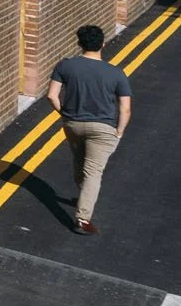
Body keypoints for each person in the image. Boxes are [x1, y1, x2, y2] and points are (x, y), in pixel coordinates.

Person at [47, 24, 132, 235]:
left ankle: (84, 195)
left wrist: (65, 114)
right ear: (103, 44)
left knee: (79, 162)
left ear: (79, 44)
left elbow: (52, 96)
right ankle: (83, 219)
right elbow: (126, 108)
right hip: (103, 128)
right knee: (93, 172)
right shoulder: (116, 73)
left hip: (73, 124)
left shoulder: (65, 66)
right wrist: (119, 131)